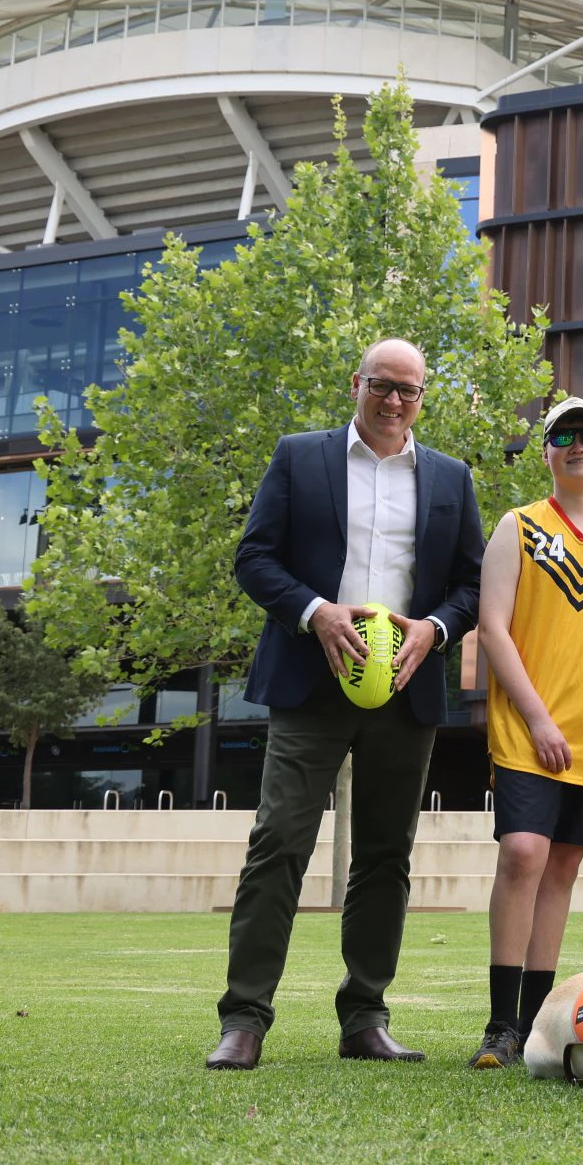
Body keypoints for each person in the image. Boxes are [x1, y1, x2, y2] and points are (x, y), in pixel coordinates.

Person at [205, 339, 485, 1070]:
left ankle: (365, 1015)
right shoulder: (301, 456)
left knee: (386, 855)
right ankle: (244, 1018)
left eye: (410, 391)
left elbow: (472, 584)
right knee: (279, 843)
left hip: (405, 688)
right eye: (382, 386)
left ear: (424, 396)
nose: (395, 402)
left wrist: (436, 628)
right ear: (356, 382)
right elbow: (254, 557)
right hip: (309, 683)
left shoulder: (452, 478)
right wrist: (314, 611)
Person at [466, 397, 583, 1069]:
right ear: (546, 452)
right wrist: (539, 717)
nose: (579, 443)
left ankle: (536, 1023)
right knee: (522, 852)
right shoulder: (516, 528)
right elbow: (493, 628)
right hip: (527, 728)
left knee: (564, 867)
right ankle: (498, 1024)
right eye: (564, 434)